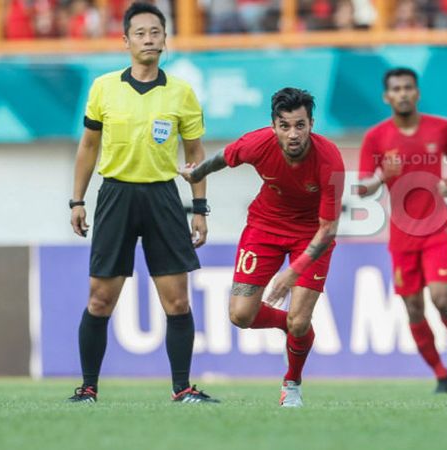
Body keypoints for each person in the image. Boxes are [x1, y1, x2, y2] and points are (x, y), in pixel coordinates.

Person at [68, 2, 216, 404]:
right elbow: (88, 146)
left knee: (178, 299)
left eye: (156, 32)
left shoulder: (181, 92)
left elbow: (195, 154)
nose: (149, 39)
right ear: (126, 41)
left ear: (166, 39)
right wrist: (77, 200)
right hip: (115, 194)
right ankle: (88, 388)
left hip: (163, 196)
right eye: (141, 33)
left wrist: (199, 208)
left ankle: (182, 388)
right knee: (100, 298)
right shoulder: (103, 88)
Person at [180, 88, 344, 408]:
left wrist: (291, 274)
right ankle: (292, 327)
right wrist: (196, 172)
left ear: (311, 123)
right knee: (241, 315)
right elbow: (223, 158)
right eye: (285, 126)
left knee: (300, 320)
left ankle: (292, 384)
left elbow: (328, 229)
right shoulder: (257, 143)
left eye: (300, 125)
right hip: (264, 228)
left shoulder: (330, 161)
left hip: (311, 236)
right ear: (273, 126)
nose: (293, 134)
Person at [357, 68, 447, 393]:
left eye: (409, 87)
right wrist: (381, 177)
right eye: (396, 89)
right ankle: (440, 374)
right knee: (413, 308)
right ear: (387, 97)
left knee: (441, 298)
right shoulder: (376, 137)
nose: (403, 93)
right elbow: (362, 188)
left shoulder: (441, 127)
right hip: (401, 236)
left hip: (437, 229)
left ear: (417, 93)